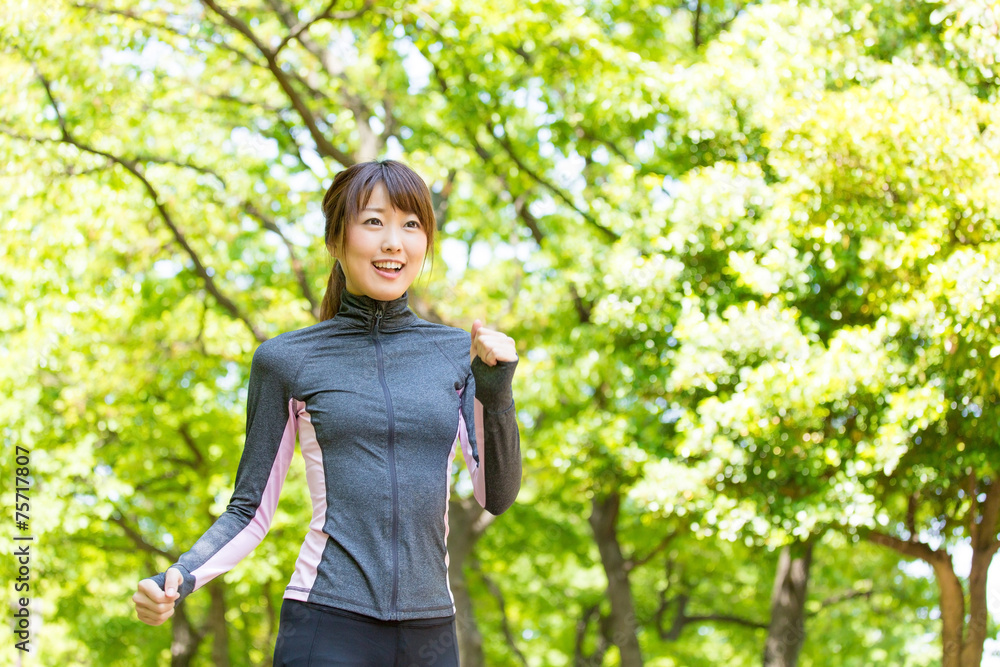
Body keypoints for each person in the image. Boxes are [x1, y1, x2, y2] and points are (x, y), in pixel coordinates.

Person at [131, 159, 522, 665]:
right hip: (326, 622)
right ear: (336, 240)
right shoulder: (287, 360)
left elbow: (497, 495)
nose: (393, 242)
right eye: (374, 221)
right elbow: (250, 512)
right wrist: (179, 577)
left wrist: (497, 391)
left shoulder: (457, 355)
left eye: (411, 224)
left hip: (431, 632)